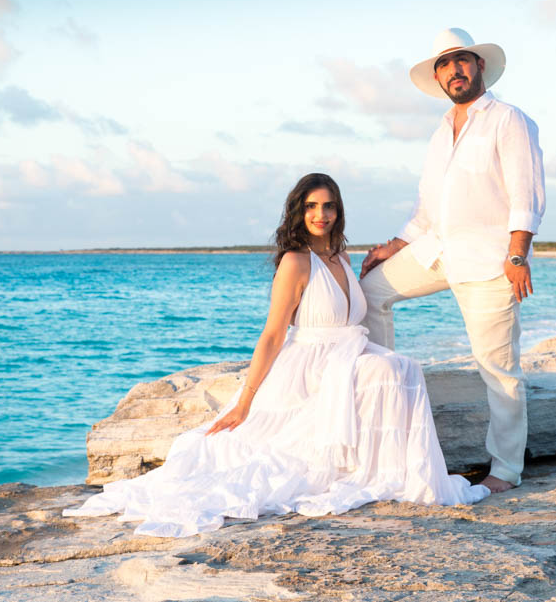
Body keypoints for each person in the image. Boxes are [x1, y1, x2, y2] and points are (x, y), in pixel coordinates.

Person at [63, 173, 488, 537]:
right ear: (298, 212)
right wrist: (245, 401)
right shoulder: (296, 262)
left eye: (329, 206)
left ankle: (400, 476)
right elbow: (271, 335)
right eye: (311, 207)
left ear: (339, 211)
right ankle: (388, 475)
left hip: (346, 356)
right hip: (310, 368)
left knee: (399, 367)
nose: (321, 215)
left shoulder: (340, 256)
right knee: (387, 373)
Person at [359, 28, 546, 495]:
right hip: (437, 251)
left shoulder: (508, 119)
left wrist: (518, 254)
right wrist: (393, 246)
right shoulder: (441, 131)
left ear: (479, 66)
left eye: (461, 61)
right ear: (438, 76)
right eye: (444, 65)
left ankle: (505, 470)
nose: (454, 71)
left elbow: (527, 193)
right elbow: (427, 210)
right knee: (370, 291)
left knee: (498, 370)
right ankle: (387, 411)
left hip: (489, 261)